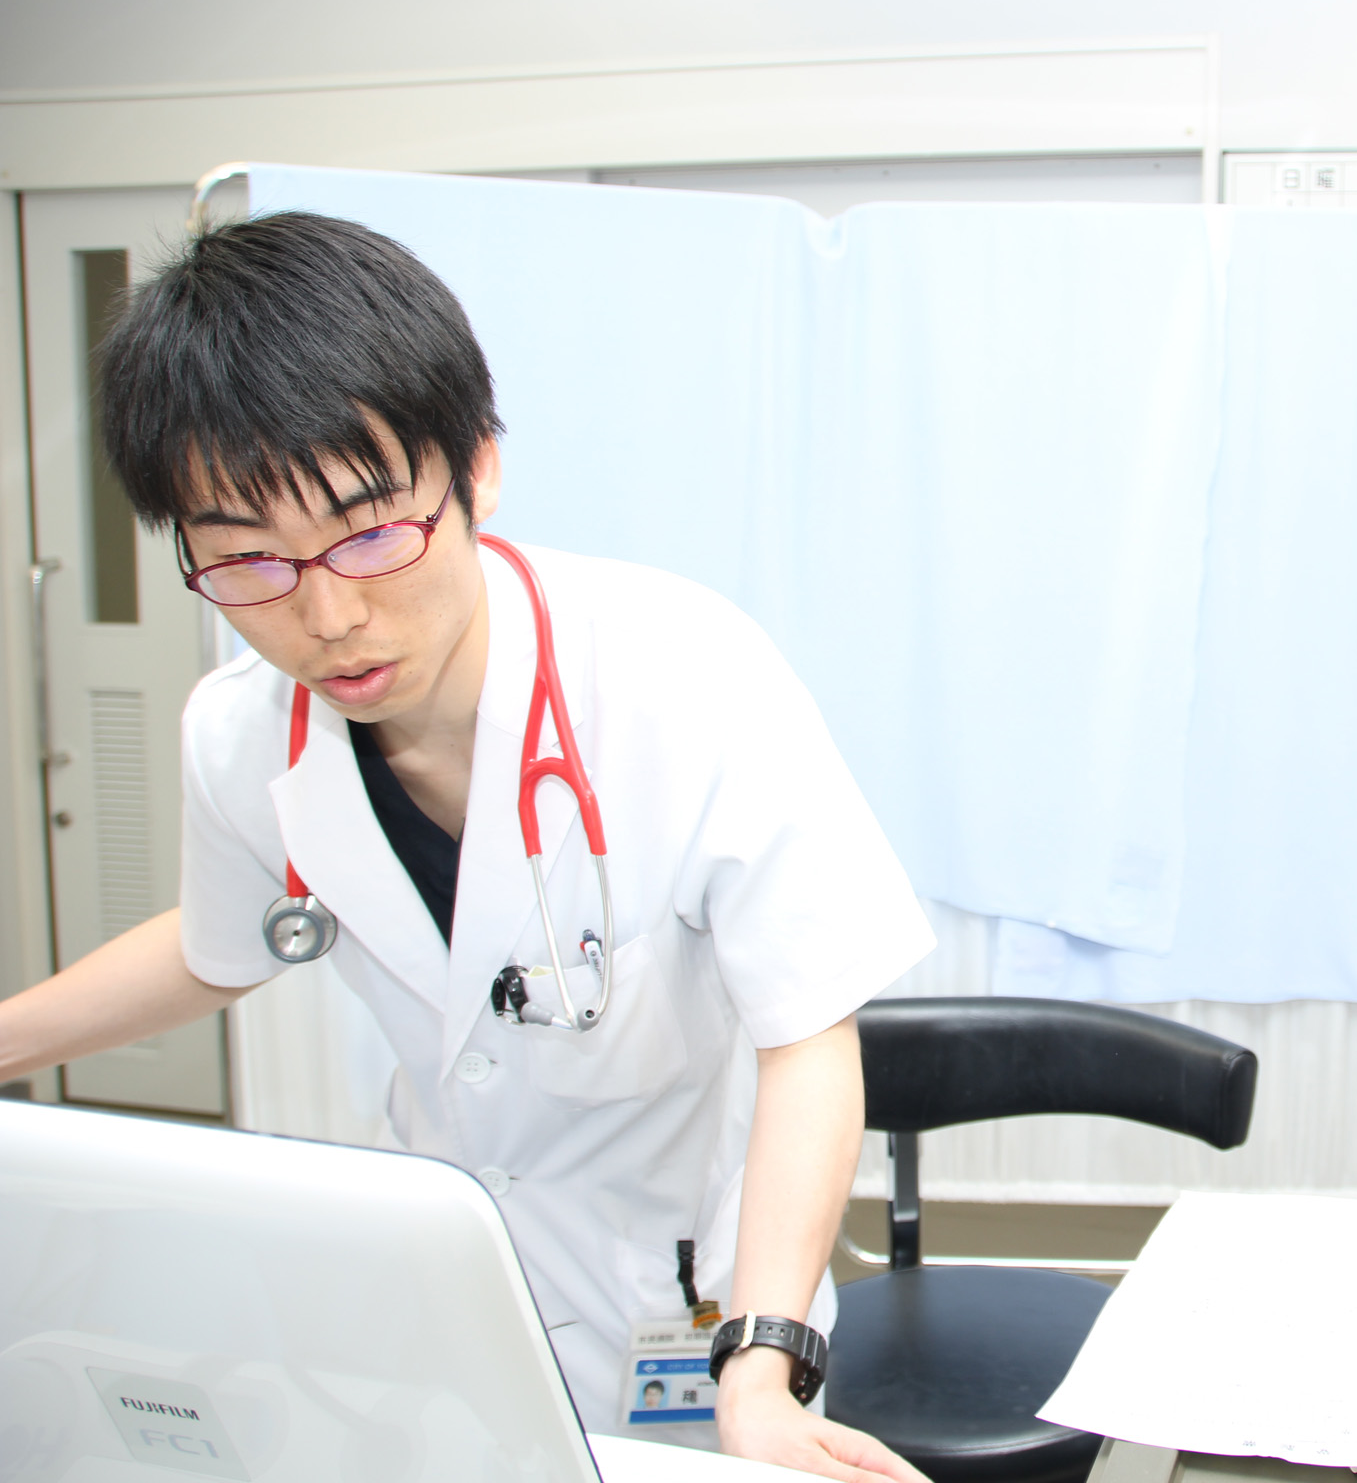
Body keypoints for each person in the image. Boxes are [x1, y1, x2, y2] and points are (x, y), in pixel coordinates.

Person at [0, 212, 935, 1479]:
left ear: (477, 471)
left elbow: (807, 1033)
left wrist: (765, 1365)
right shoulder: (239, 734)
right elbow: (219, 948)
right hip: (444, 1269)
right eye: (248, 562)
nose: (328, 614)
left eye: (370, 531)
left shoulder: (681, 673)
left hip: (699, 1292)